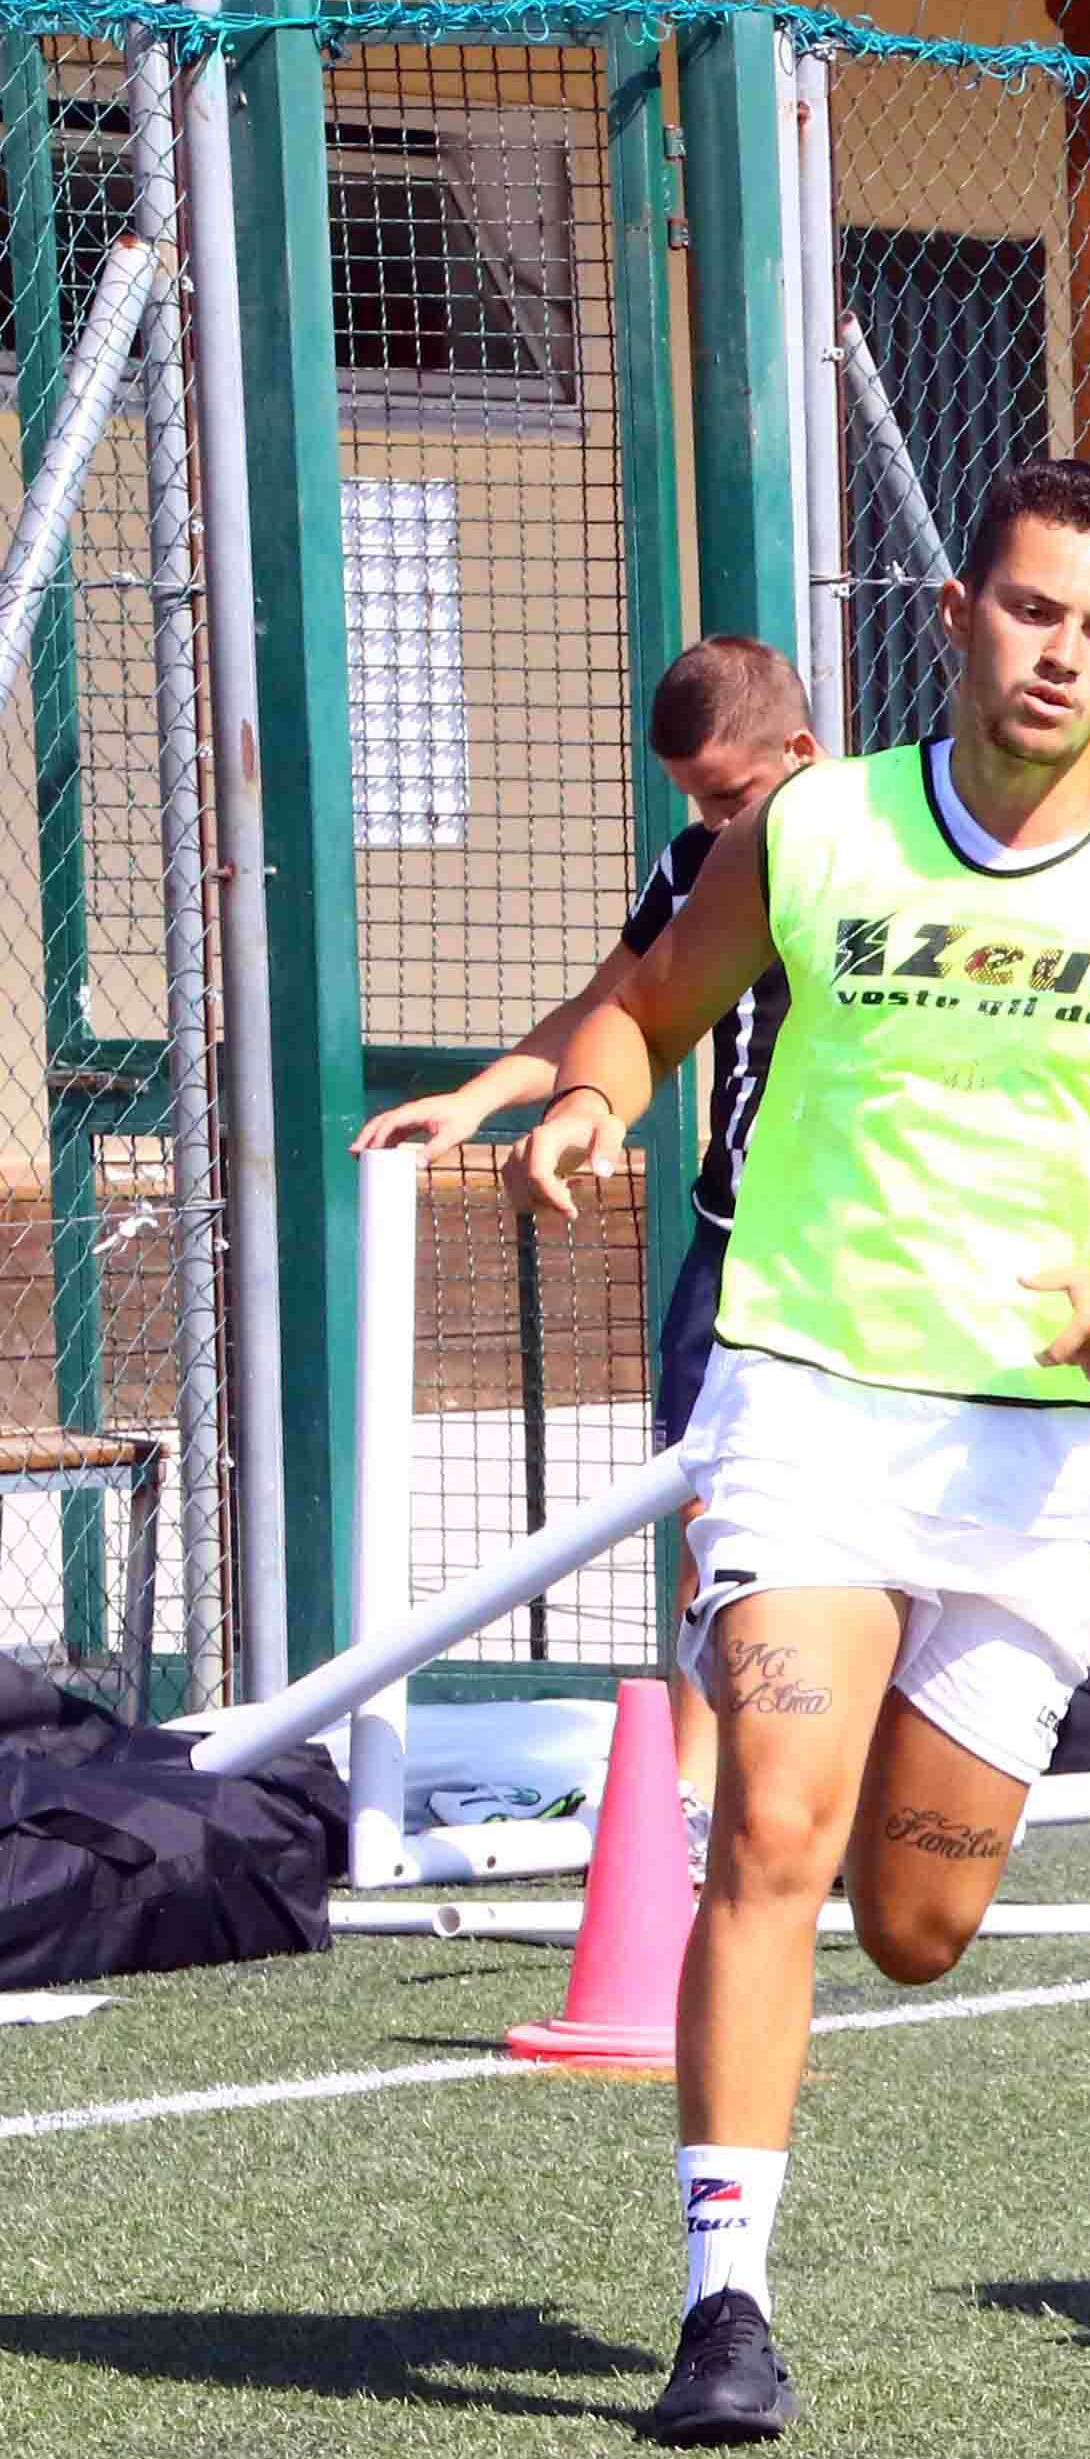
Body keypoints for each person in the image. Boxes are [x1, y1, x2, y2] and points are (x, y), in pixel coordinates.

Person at [518, 462, 1090, 2448]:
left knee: (914, 1923)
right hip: (814, 1406)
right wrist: (586, 1096)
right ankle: (724, 2303)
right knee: (775, 1825)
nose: (1057, 653)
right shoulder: (817, 829)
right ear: (957, 611)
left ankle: (888, 1926)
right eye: (1029, 610)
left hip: (1054, 1468)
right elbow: (652, 1009)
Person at [355, 636, 823, 1820]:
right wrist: (481, 1101)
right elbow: (614, 1010)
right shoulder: (695, 864)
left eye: (730, 795)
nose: (713, 822)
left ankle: (851, 1764)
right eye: (695, 801)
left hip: (863, 1249)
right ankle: (693, 1788)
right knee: (705, 1508)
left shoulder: (874, 859)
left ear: (802, 758)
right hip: (734, 1245)